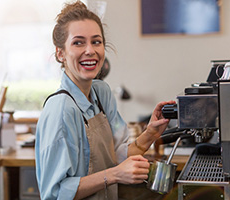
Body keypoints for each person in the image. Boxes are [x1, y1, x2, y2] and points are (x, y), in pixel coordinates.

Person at [35, 1, 175, 199]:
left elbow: (117, 156)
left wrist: (150, 133)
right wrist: (115, 174)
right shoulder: (61, 109)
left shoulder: (101, 93)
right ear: (60, 53)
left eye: (96, 41)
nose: (90, 50)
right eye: (78, 42)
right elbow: (55, 192)